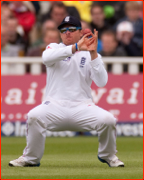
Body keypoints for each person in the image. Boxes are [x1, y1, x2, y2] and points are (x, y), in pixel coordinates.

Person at [9, 16, 124, 168]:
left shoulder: (90, 54)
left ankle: (108, 156)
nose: (67, 33)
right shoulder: (54, 48)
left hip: (83, 106)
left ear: (80, 32)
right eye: (63, 30)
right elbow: (46, 58)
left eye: (71, 29)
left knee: (108, 120)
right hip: (54, 105)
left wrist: (94, 54)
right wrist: (76, 47)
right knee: (34, 116)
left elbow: (102, 82)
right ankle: (31, 158)